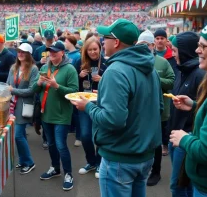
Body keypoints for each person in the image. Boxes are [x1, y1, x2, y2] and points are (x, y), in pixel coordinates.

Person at [72, 19, 163, 197]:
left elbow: (113, 120)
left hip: (121, 158)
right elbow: (156, 108)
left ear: (116, 42)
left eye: (105, 37)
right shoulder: (150, 69)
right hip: (144, 155)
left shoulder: (115, 71)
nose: (102, 41)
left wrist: (88, 107)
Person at [33, 41, 79, 191]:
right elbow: (34, 89)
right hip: (46, 113)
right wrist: (38, 83)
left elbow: (74, 92)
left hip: (62, 115)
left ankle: (69, 174)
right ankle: (55, 168)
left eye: (54, 51)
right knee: (51, 144)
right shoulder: (45, 68)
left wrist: (57, 86)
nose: (51, 54)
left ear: (62, 53)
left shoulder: (70, 69)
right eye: (49, 51)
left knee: (61, 145)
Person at [170, 25, 207, 197]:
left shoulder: (200, 74)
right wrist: (194, 105)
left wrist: (184, 139)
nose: (197, 50)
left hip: (204, 182)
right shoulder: (184, 71)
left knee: (178, 186)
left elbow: (205, 151)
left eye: (203, 46)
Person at [136, 30, 175, 186]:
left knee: (156, 142)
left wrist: (155, 78)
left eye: (147, 44)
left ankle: (156, 171)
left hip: (158, 109)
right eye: (141, 44)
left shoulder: (162, 62)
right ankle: (141, 168)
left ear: (152, 46)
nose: (145, 47)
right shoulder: (134, 62)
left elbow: (171, 82)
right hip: (139, 109)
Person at [77, 36, 108, 179]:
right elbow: (74, 85)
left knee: (100, 135)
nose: (92, 52)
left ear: (100, 48)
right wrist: (80, 76)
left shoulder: (106, 63)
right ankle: (91, 161)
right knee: (85, 135)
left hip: (101, 103)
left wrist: (103, 80)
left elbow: (113, 84)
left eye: (95, 49)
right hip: (85, 102)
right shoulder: (81, 62)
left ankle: (100, 163)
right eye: (89, 50)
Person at [6, 43, 38, 175]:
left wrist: (14, 91)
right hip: (13, 104)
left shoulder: (33, 69)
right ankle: (23, 160)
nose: (20, 54)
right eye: (19, 51)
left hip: (24, 105)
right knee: (20, 135)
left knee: (18, 135)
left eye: (23, 52)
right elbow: (8, 84)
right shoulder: (14, 67)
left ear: (29, 54)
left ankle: (30, 162)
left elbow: (32, 90)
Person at [154, 28, 178, 156]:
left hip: (169, 92)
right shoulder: (150, 57)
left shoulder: (171, 56)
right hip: (155, 96)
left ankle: (164, 143)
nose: (159, 41)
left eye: (162, 38)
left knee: (166, 120)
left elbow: (173, 77)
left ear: (166, 40)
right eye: (157, 38)